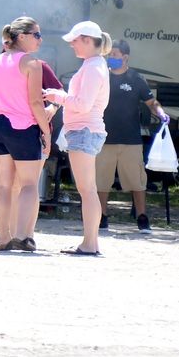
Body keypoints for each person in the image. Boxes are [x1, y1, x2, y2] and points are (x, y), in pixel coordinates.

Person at [0, 17, 53, 251]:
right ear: (22, 36)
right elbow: (36, 103)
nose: (40, 39)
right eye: (36, 34)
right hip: (23, 128)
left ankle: (3, 237)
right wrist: (46, 132)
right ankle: (24, 236)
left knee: (4, 185)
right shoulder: (32, 63)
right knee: (28, 185)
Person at [45, 20, 112, 256]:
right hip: (85, 131)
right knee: (88, 189)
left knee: (87, 190)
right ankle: (90, 243)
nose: (72, 45)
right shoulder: (94, 65)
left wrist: (57, 96)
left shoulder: (93, 67)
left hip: (84, 130)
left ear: (86, 40)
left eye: (75, 40)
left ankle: (90, 244)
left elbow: (83, 105)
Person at [97, 39, 166, 234]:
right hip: (104, 139)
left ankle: (142, 218)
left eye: (115, 55)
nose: (111, 59)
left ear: (125, 57)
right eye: (110, 55)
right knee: (101, 180)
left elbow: (152, 102)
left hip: (131, 140)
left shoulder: (136, 78)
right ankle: (102, 217)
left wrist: (161, 114)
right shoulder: (102, 77)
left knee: (137, 181)